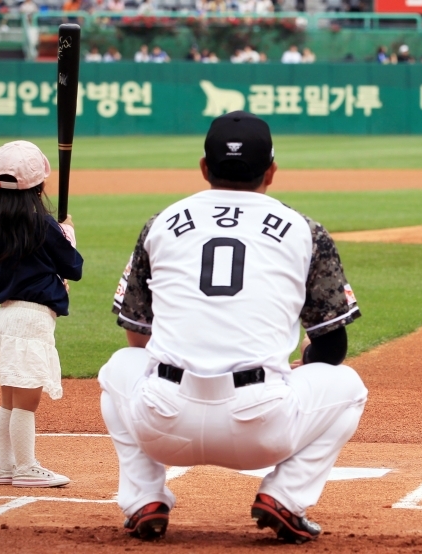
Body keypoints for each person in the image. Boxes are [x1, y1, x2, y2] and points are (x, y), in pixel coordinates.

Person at [99, 111, 367, 543]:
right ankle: (284, 496)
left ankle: (143, 498)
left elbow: (138, 335)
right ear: (272, 171)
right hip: (260, 429)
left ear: (205, 168)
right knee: (348, 385)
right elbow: (332, 346)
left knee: (119, 367)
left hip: (163, 423)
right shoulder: (305, 230)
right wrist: (304, 361)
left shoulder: (161, 224)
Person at [0, 141, 83, 487]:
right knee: (26, 400)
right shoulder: (44, 224)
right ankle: (25, 467)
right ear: (39, 186)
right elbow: (74, 267)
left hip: (6, 318)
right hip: (32, 319)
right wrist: (66, 235)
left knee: (9, 399)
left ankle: (6, 466)